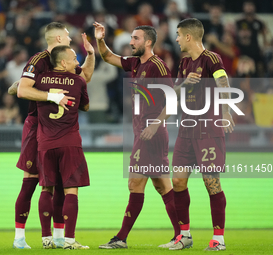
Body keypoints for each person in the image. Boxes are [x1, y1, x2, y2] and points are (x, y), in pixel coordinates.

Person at [93, 22, 180, 249]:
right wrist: (101, 39)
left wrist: (154, 125)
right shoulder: (134, 63)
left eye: (136, 39)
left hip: (151, 134)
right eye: (131, 38)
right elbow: (108, 57)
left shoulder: (157, 66)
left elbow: (172, 101)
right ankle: (182, 235)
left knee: (135, 184)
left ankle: (121, 238)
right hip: (144, 133)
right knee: (163, 187)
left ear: (148, 42)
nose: (131, 42)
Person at [11, 22, 94, 249]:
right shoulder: (38, 60)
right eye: (67, 36)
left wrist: (91, 54)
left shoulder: (65, 61)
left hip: (54, 129)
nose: (70, 38)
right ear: (58, 39)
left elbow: (84, 76)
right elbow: (21, 91)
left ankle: (56, 237)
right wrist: (51, 96)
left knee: (57, 183)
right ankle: (19, 237)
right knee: (30, 182)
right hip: (37, 125)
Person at [168, 18, 235, 251]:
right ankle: (184, 236)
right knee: (177, 181)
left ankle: (218, 239)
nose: (175, 39)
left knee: (211, 183)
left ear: (188, 36)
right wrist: (184, 84)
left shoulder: (211, 59)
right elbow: (174, 93)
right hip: (186, 129)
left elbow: (224, 84)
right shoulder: (184, 62)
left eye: (178, 34)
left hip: (208, 130)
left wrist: (225, 112)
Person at [35, 45, 90, 249]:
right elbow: (85, 106)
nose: (77, 63)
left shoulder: (39, 80)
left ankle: (46, 238)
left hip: (45, 143)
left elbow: (21, 90)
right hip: (69, 142)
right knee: (71, 191)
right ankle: (69, 240)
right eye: (75, 58)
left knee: (46, 189)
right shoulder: (78, 81)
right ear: (63, 62)